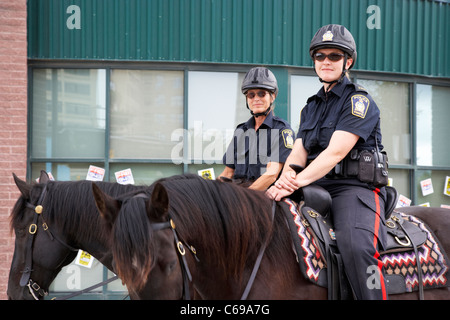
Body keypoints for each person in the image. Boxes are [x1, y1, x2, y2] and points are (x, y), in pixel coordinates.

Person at [266, 24, 389, 300]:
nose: (326, 61)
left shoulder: (359, 101)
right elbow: (297, 154)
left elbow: (335, 152)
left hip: (353, 189)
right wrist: (284, 181)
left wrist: (294, 181)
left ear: (348, 61)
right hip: (314, 185)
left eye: (335, 56)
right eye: (320, 56)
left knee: (356, 246)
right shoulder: (310, 107)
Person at [219, 67, 295, 191]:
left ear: (272, 97)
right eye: (251, 95)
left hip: (265, 197)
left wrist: (245, 197)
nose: (256, 99)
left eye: (261, 93)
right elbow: (227, 174)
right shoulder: (241, 131)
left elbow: (272, 174)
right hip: (237, 195)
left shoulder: (282, 130)